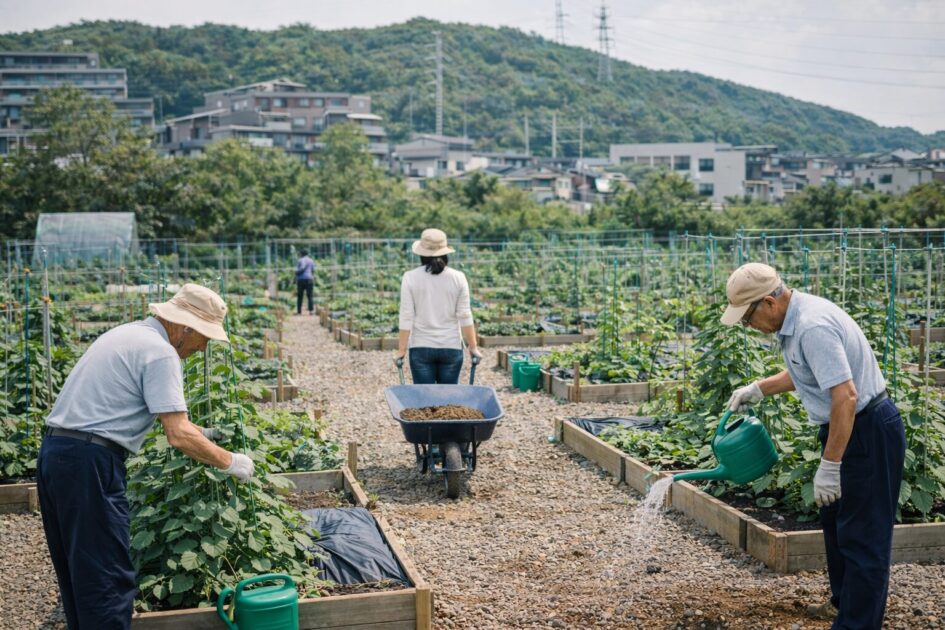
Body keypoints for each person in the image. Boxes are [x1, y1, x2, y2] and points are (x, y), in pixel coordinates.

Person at [37, 283, 255, 629]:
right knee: (107, 576)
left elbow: (169, 417)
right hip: (90, 463)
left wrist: (205, 434)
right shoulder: (162, 353)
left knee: (80, 570)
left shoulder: (131, 335)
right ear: (186, 328)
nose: (203, 348)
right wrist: (231, 462)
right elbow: (177, 434)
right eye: (205, 338)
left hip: (59, 453)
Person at [723, 263, 904, 630]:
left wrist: (831, 464)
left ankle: (857, 624)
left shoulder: (812, 327)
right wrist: (758, 388)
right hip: (847, 428)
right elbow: (811, 371)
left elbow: (846, 396)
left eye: (747, 317)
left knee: (863, 537)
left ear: (769, 303)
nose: (747, 326)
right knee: (838, 529)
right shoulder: (795, 320)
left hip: (865, 430)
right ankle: (845, 606)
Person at [395, 228, 480, 383]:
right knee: (447, 402)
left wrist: (401, 350)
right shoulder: (458, 278)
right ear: (445, 252)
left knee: (424, 403)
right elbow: (465, 315)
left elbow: (406, 316)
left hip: (421, 347)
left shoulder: (410, 278)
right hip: (451, 347)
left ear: (421, 253)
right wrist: (473, 347)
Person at [296, 249, 315, 315]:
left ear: (301, 254)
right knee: (310, 295)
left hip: (301, 280)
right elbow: (313, 270)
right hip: (309, 279)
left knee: (300, 295)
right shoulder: (311, 260)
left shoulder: (300, 260)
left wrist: (297, 272)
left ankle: (299, 311)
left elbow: (301, 268)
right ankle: (311, 310)